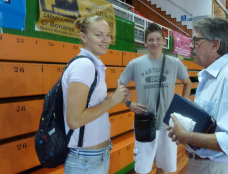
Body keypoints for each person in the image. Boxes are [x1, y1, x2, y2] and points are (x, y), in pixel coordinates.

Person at [167, 17, 228, 174]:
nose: (190, 45)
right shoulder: (207, 76)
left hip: (217, 168)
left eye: (196, 41)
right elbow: (209, 126)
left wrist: (187, 136)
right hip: (200, 165)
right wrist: (183, 130)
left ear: (215, 45)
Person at [118, 23, 192, 174]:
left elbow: (188, 83)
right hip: (144, 123)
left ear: (164, 42)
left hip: (167, 124)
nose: (155, 43)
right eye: (151, 40)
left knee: (163, 167)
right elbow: (120, 83)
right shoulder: (135, 64)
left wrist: (181, 105)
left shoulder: (175, 63)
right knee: (142, 169)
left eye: (158, 39)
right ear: (145, 42)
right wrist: (129, 103)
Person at [62, 15, 130, 173]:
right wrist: (112, 100)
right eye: (99, 35)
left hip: (94, 157)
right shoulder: (84, 66)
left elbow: (90, 107)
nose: (106, 40)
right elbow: (74, 120)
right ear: (83, 37)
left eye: (108, 35)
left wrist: (115, 98)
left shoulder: (93, 64)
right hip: (85, 160)